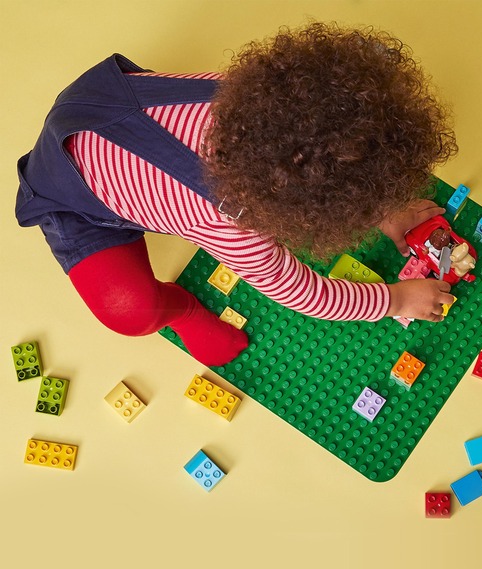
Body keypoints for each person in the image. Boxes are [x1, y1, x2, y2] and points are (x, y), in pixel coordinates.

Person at [16, 22, 457, 367]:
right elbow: (306, 293)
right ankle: (182, 312)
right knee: (129, 312)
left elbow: (330, 148)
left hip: (99, 101)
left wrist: (383, 208)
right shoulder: (232, 225)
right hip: (74, 198)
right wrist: (396, 299)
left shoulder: (255, 96)